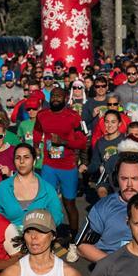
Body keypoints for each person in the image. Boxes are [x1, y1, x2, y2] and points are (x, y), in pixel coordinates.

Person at [33, 86, 87, 232]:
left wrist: (64, 142)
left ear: (65, 98)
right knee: (46, 202)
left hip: (68, 167)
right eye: (53, 95)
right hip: (49, 166)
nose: (55, 98)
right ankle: (47, 234)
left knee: (69, 204)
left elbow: (82, 142)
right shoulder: (42, 115)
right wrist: (36, 145)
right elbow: (37, 130)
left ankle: (74, 239)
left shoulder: (73, 116)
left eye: (59, 96)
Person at [0, 144, 64, 231]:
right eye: (18, 158)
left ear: (34, 161)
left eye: (26, 157)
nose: (21, 161)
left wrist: (40, 228)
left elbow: (57, 217)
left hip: (39, 236)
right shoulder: (3, 188)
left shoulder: (47, 189)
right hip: (9, 236)